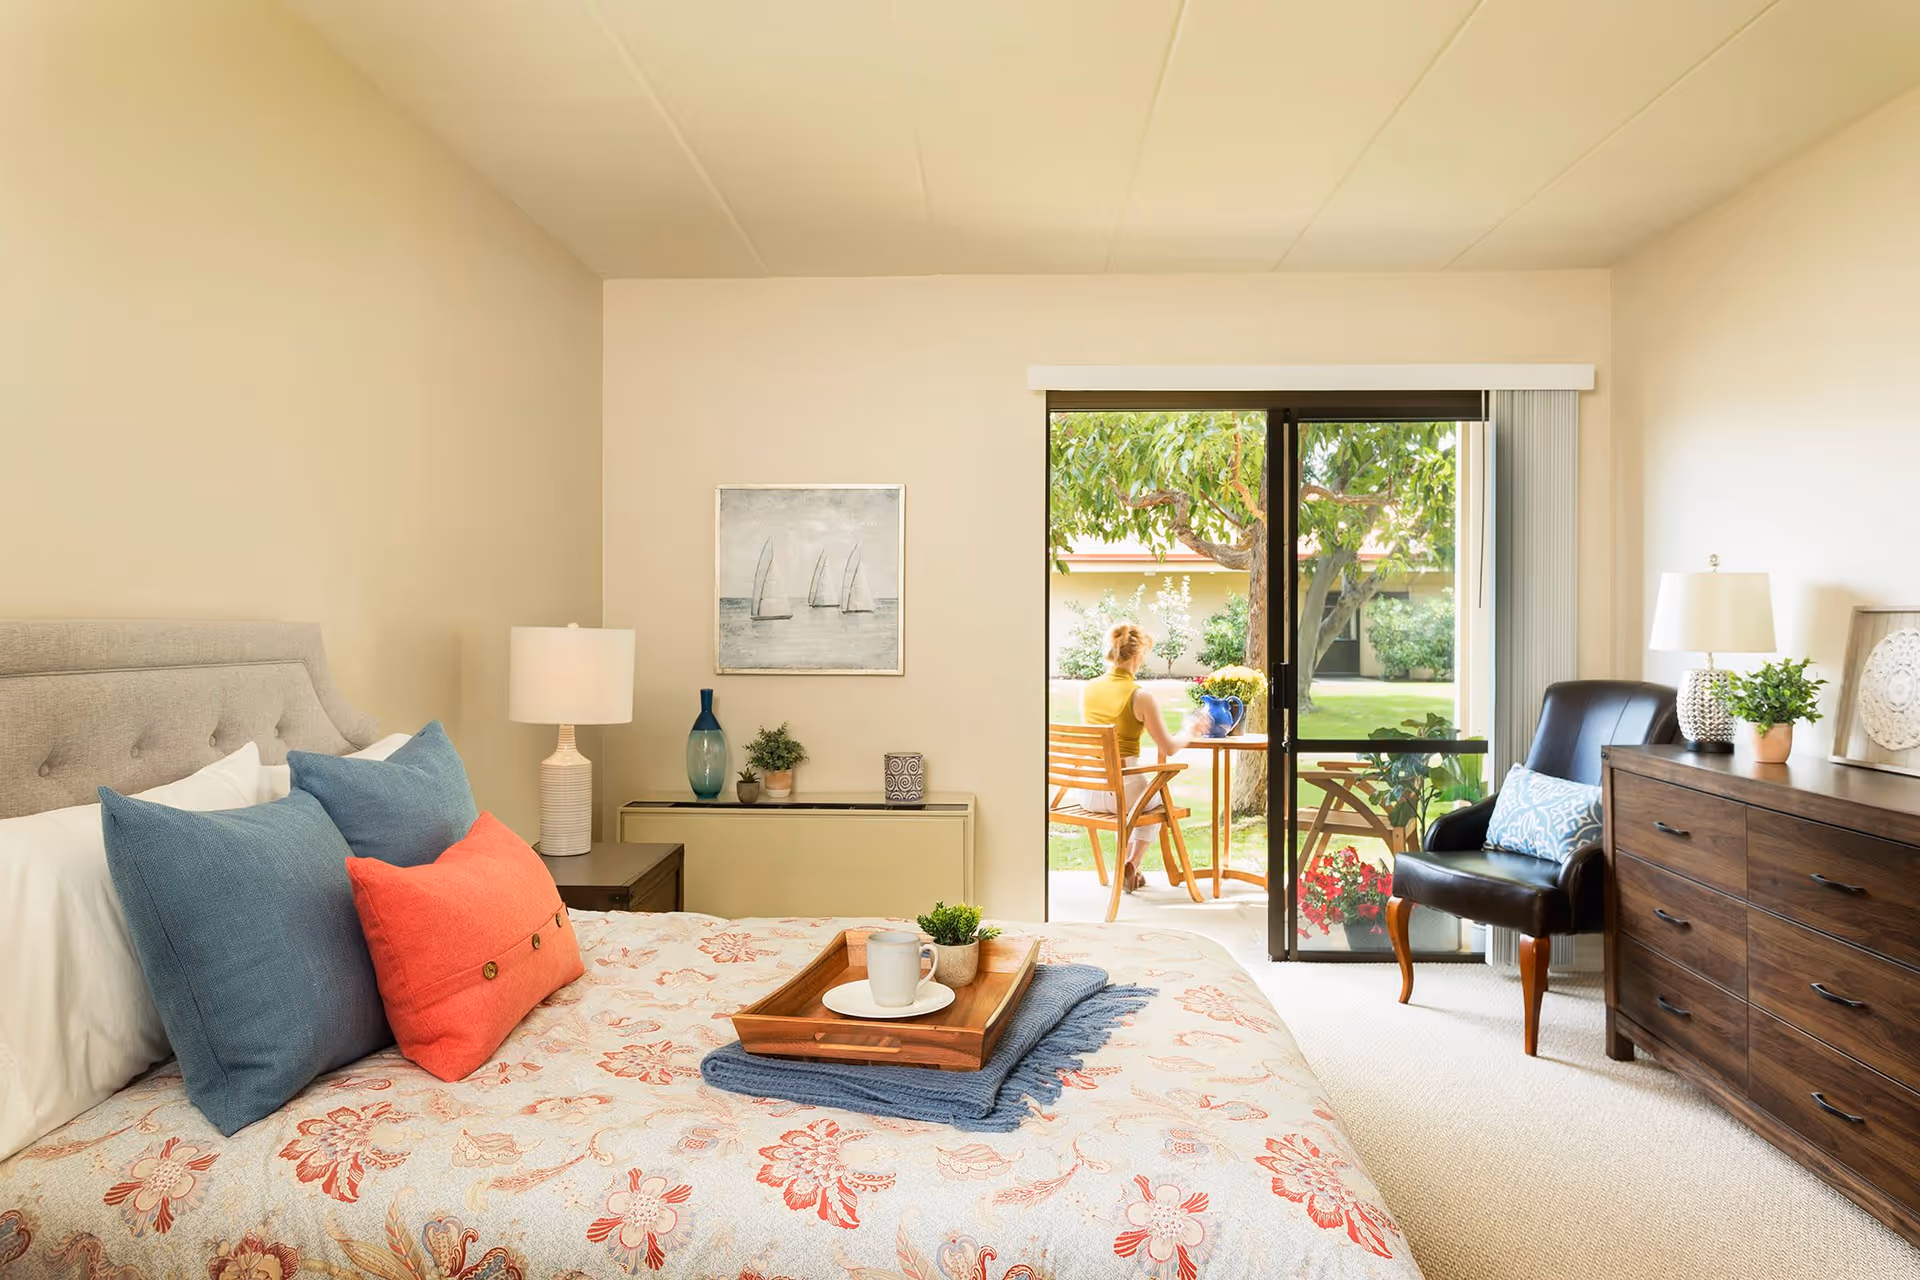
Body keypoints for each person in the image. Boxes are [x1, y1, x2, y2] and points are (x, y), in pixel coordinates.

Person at [1079, 623, 1195, 893]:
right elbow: (1169, 746)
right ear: (1138, 654)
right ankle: (1131, 863)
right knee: (1156, 800)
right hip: (1126, 791)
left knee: (1138, 802)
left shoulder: (1088, 689)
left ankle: (1130, 869)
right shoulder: (1140, 696)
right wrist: (1191, 729)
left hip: (1090, 791)